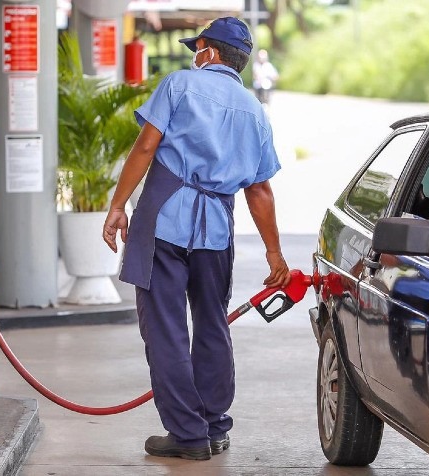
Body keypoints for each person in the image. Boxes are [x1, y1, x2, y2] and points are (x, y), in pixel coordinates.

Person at [102, 17, 291, 461]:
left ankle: (188, 435)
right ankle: (214, 426)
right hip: (216, 228)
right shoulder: (254, 111)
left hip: (164, 221)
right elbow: (260, 189)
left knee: (165, 329)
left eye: (196, 48)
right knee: (211, 324)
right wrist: (274, 252)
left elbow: (147, 146)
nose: (193, 55)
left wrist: (117, 205)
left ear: (206, 49)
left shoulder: (180, 85)